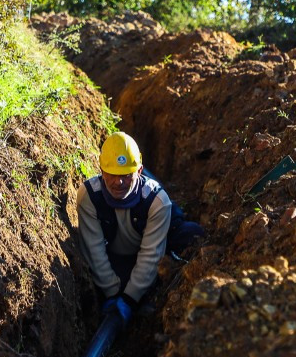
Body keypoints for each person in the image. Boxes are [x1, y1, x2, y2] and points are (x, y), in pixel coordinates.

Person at [76, 131, 204, 323]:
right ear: (101, 170)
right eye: (112, 174)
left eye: (126, 175)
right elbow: (94, 250)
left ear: (140, 170)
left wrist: (130, 298)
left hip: (152, 253)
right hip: (116, 259)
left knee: (191, 234)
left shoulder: (157, 201)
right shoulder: (89, 196)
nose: (119, 182)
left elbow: (152, 254)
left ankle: (155, 295)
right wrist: (111, 293)